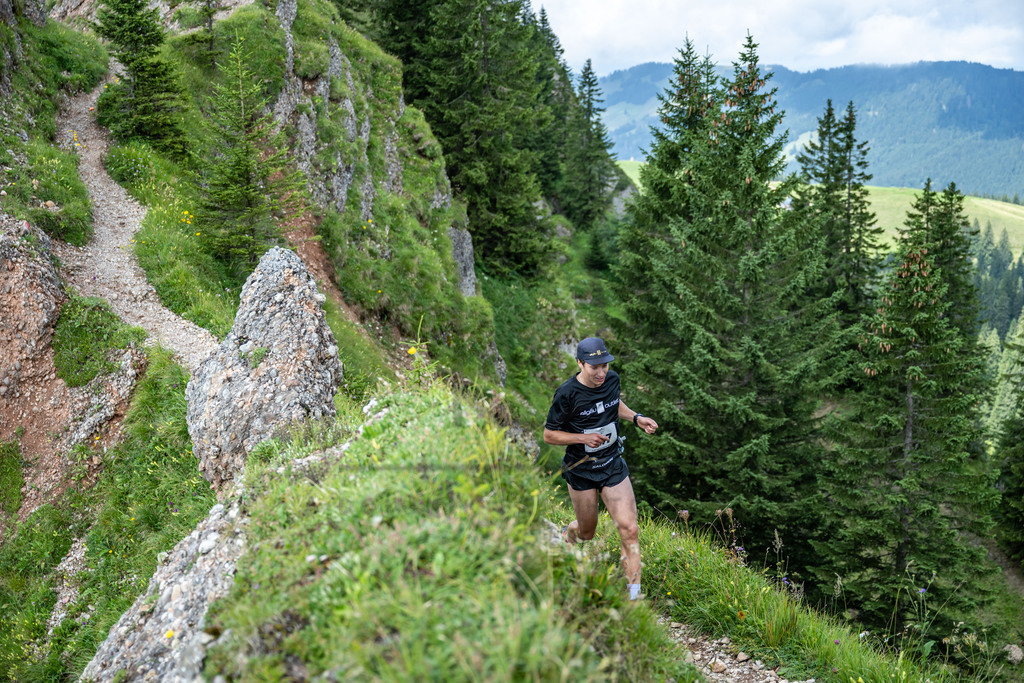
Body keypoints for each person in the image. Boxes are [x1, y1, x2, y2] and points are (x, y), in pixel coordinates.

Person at [543, 336, 658, 601]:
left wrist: (636, 418)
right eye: (594, 367)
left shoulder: (612, 380)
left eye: (604, 365)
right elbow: (550, 435)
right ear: (580, 364)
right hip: (581, 469)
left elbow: (613, 404)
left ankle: (634, 596)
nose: (601, 372)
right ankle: (568, 533)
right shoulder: (566, 393)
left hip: (612, 464)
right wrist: (583, 438)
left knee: (629, 529)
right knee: (587, 532)